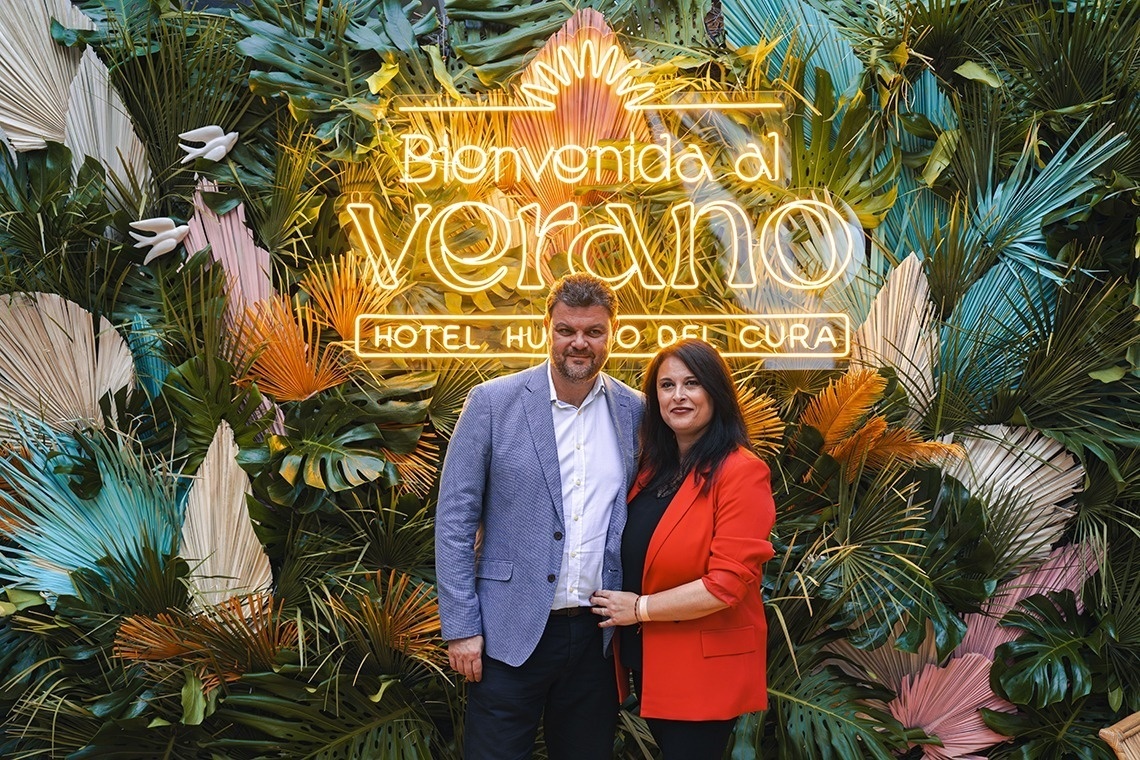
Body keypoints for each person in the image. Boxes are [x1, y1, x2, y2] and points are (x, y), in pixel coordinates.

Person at [435, 273, 644, 760]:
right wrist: (461, 627)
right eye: (566, 330)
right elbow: (454, 522)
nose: (579, 343)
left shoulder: (635, 410)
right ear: (546, 329)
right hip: (507, 631)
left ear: (612, 333)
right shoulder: (492, 403)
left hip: (596, 636)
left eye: (593, 331)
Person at [590, 338, 776, 759]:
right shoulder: (653, 470)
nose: (678, 395)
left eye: (692, 383)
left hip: (703, 668)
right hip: (651, 660)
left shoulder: (742, 472)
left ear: (715, 392)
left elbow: (726, 585)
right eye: (666, 385)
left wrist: (640, 608)